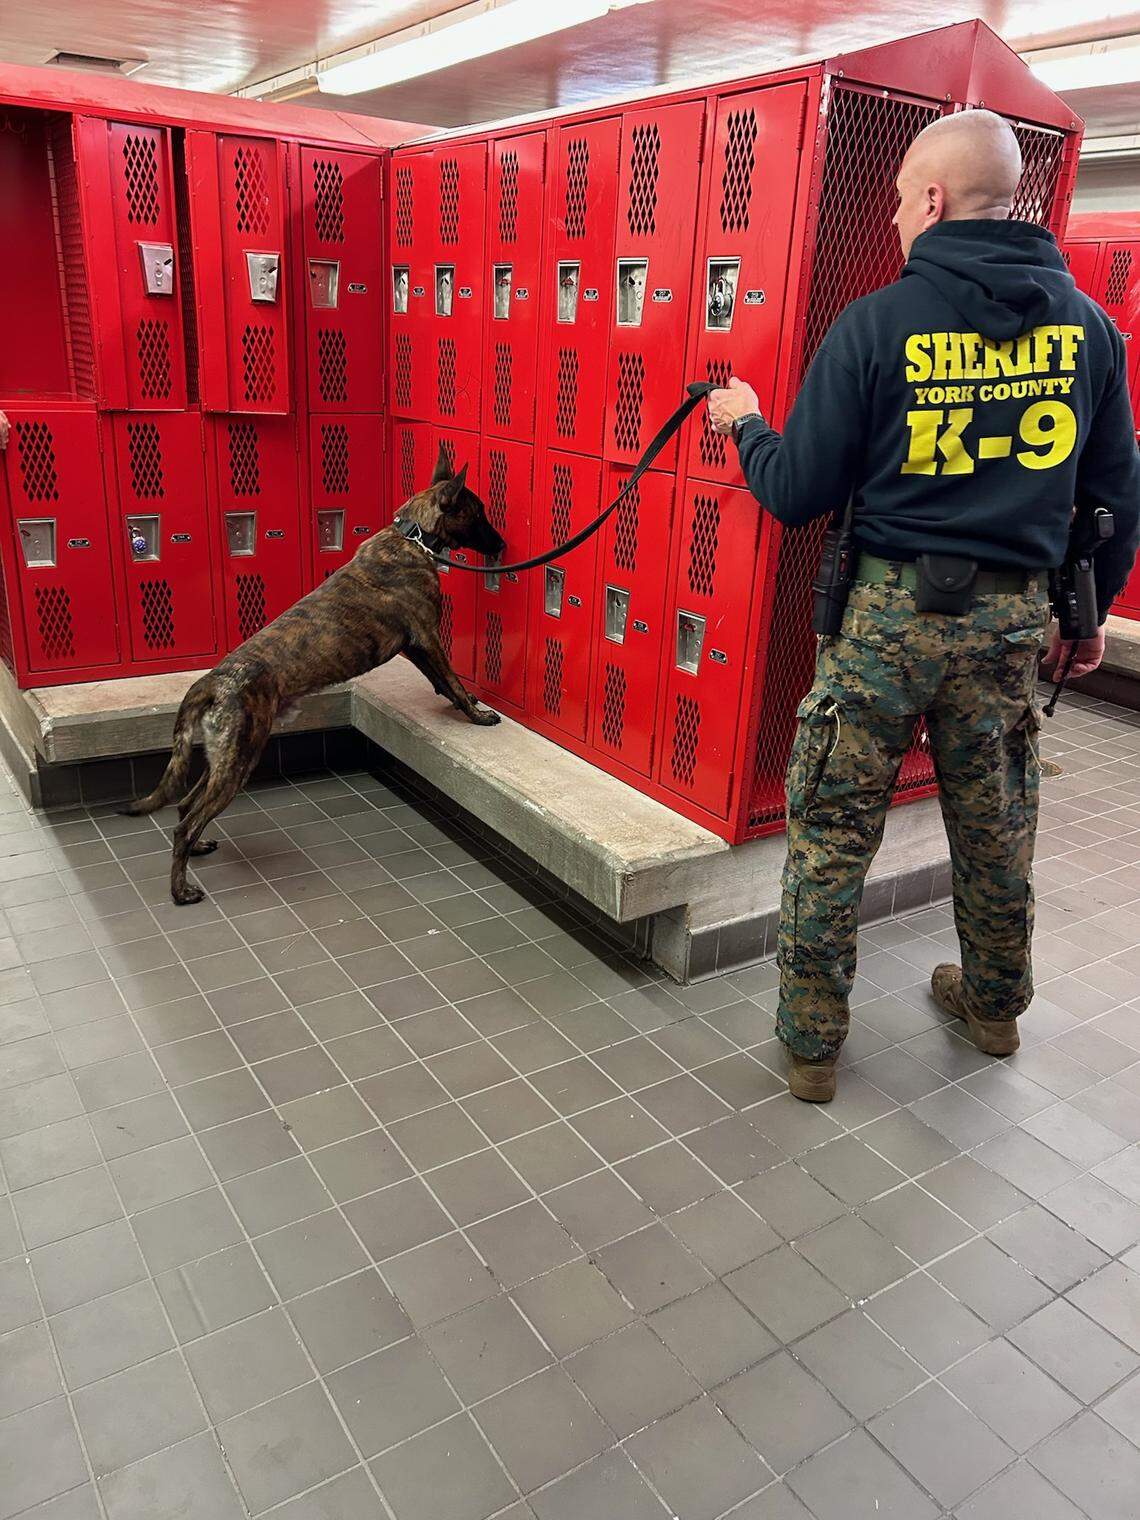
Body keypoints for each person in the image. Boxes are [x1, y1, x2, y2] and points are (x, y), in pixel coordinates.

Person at [707, 109, 1140, 1103]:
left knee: (833, 827)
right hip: (1009, 623)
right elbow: (1117, 492)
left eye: (902, 199)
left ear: (933, 200)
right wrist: (1086, 617)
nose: (898, 218)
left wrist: (748, 424)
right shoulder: (1089, 330)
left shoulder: (877, 324)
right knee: (997, 825)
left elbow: (797, 491)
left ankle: (813, 1046)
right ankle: (993, 1007)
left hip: (886, 622)